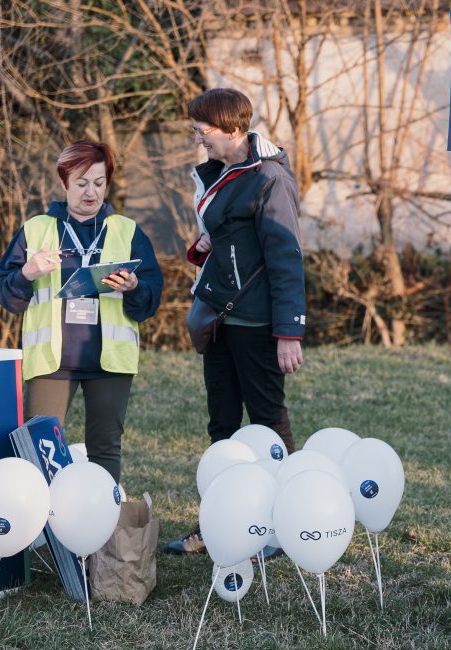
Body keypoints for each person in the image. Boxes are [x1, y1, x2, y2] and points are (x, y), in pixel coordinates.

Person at [165, 88, 305, 555]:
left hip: (257, 323)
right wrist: (206, 246)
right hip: (219, 319)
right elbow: (228, 235)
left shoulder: (269, 178)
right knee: (221, 427)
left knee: (267, 423)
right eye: (195, 130)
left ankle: (288, 522)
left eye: (202, 131)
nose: (197, 138)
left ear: (232, 129)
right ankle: (216, 523)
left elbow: (286, 256)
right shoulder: (222, 172)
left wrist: (289, 332)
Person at [0, 140, 163, 484]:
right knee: (39, 450)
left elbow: (150, 298)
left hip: (109, 361)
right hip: (52, 361)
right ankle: (42, 532)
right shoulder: (36, 229)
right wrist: (27, 273)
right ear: (64, 182)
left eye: (99, 183)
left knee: (105, 448)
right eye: (82, 183)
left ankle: (102, 531)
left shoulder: (126, 231)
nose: (91, 192)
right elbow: (4, 294)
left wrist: (133, 288)